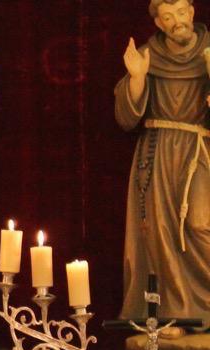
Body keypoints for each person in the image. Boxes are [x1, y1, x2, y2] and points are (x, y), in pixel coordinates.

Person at [117, 0, 210, 322]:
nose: (177, 22)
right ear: (158, 23)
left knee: (199, 223)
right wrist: (138, 79)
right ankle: (175, 314)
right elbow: (126, 119)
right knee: (160, 233)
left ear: (193, 11)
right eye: (167, 17)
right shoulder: (148, 56)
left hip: (198, 149)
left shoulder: (209, 52)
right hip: (157, 153)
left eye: (181, 13)